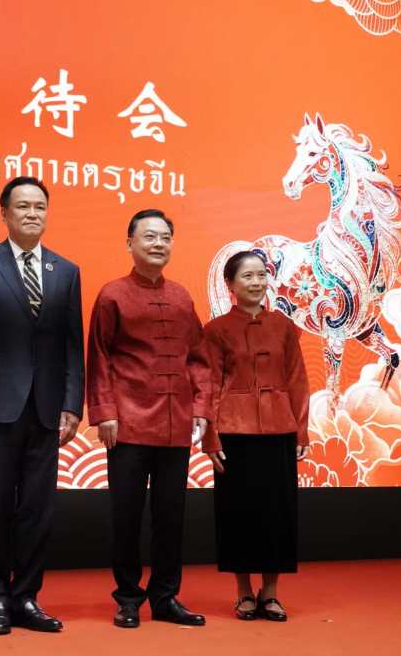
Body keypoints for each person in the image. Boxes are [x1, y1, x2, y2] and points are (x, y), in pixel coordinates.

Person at [0, 176, 84, 635]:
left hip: (46, 409)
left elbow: (72, 346)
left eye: (39, 206)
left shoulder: (66, 271)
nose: (32, 213)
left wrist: (72, 403)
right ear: (4, 212)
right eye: (23, 206)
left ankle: (27, 596)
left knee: (37, 509)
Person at [86, 209, 211, 629]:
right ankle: (127, 598)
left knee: (170, 517)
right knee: (126, 517)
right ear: (130, 244)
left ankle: (165, 597)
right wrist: (104, 412)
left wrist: (201, 408)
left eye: (165, 238)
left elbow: (198, 358)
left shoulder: (182, 297)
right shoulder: (112, 295)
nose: (159, 244)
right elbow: (99, 357)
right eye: (149, 237)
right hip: (128, 424)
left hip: (176, 425)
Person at [196, 250, 309, 622]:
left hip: (279, 429)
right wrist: (210, 437)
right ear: (230, 284)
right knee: (238, 513)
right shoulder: (216, 330)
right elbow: (210, 385)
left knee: (278, 512)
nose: (257, 282)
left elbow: (297, 380)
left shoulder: (284, 327)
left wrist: (302, 430)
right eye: (247, 276)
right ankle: (243, 592)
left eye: (261, 274)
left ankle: (271, 593)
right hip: (234, 432)